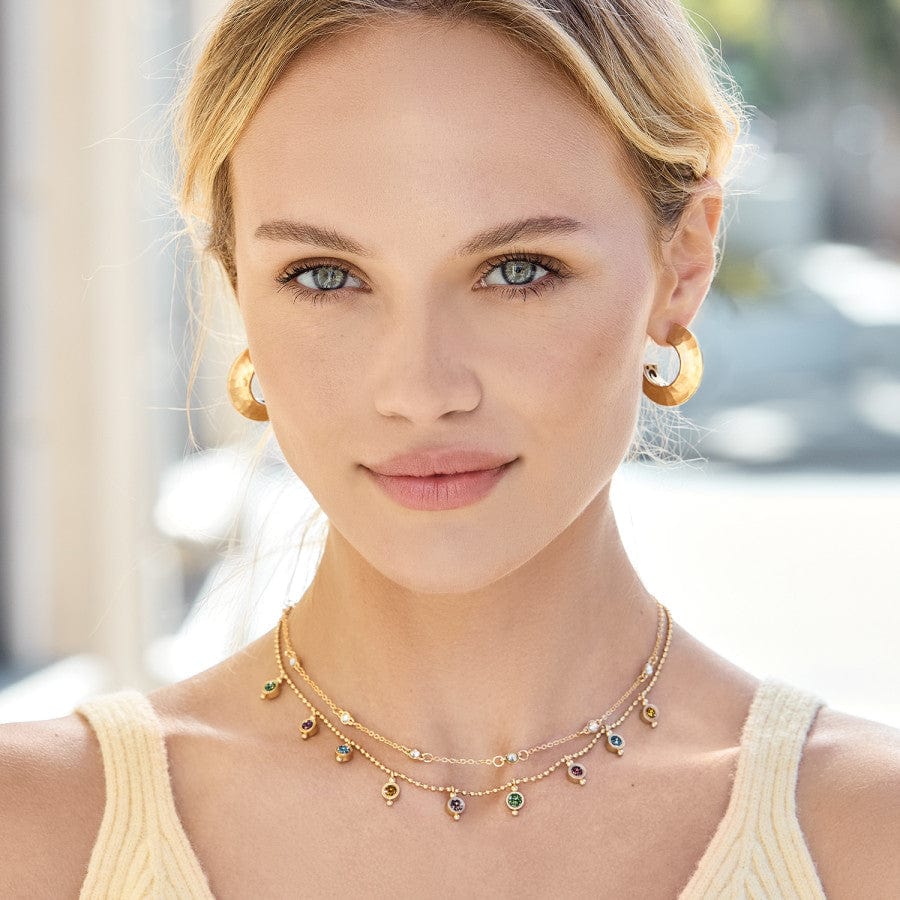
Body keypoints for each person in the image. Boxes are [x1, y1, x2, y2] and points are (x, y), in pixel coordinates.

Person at [2, 0, 898, 896]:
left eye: (517, 270)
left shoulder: (867, 836)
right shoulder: (35, 829)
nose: (422, 391)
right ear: (239, 283)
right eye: (326, 276)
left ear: (684, 265)